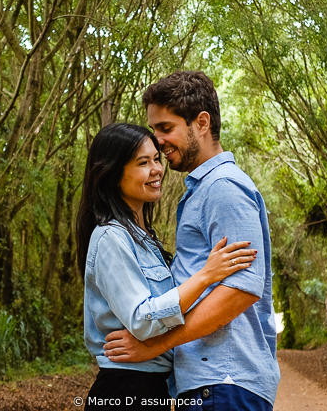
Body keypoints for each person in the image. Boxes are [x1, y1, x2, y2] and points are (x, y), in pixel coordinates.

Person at [103, 71, 279, 411]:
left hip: (223, 383)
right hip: (211, 385)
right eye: (154, 130)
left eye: (165, 128)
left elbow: (240, 291)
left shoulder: (223, 187)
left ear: (202, 122)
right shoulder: (204, 190)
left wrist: (154, 345)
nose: (156, 141)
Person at [76, 122, 258, 406]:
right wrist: (206, 276)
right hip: (124, 389)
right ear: (112, 174)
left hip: (152, 388)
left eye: (156, 160)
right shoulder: (110, 236)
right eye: (142, 163)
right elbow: (142, 320)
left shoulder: (145, 240)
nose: (156, 169)